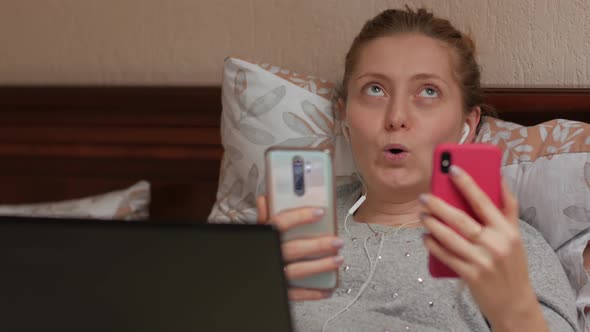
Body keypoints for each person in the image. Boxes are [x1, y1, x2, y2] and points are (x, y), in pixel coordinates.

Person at [256, 7, 578, 332]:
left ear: (467, 125)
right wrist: (254, 281)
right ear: (344, 117)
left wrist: (515, 311)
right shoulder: (287, 229)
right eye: (375, 89)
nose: (396, 116)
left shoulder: (503, 245)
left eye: (428, 91)